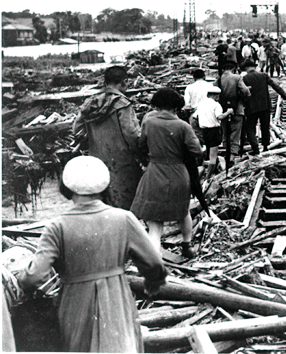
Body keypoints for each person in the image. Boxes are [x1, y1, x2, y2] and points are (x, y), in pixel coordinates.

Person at [17, 155, 167, 352]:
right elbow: (155, 263)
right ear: (104, 186)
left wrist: (20, 278)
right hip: (116, 298)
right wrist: (152, 284)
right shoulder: (124, 219)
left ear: (67, 187)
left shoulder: (57, 226)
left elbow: (34, 277)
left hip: (74, 303)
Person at [130, 88, 204, 258]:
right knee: (183, 211)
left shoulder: (149, 122)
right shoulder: (182, 126)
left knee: (155, 219)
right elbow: (197, 151)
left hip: (155, 171)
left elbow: (141, 145)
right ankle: (187, 246)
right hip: (179, 173)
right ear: (176, 106)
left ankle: (154, 259)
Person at [73, 65, 142, 210]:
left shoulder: (90, 103)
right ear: (124, 82)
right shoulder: (123, 104)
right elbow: (132, 134)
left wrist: (90, 141)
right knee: (126, 206)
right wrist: (141, 155)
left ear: (105, 82)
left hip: (96, 161)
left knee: (103, 204)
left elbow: (77, 129)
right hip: (123, 164)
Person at [242, 59, 286, 155]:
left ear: (246, 68)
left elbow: (242, 93)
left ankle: (255, 148)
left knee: (250, 128)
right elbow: (275, 86)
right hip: (265, 106)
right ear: (255, 66)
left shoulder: (245, 78)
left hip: (251, 107)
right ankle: (266, 147)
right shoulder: (263, 75)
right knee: (265, 127)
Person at [191, 87, 234, 179]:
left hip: (204, 131)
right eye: (218, 96)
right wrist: (228, 112)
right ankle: (208, 177)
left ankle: (206, 171)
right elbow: (220, 117)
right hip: (214, 130)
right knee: (213, 156)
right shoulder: (216, 105)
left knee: (208, 151)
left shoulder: (201, 104)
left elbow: (194, 117)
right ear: (214, 95)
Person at [215, 61, 251, 162]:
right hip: (237, 109)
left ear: (223, 69)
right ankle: (232, 155)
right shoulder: (237, 77)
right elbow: (245, 91)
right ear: (233, 69)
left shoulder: (218, 80)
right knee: (236, 132)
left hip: (223, 110)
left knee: (225, 131)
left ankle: (226, 151)